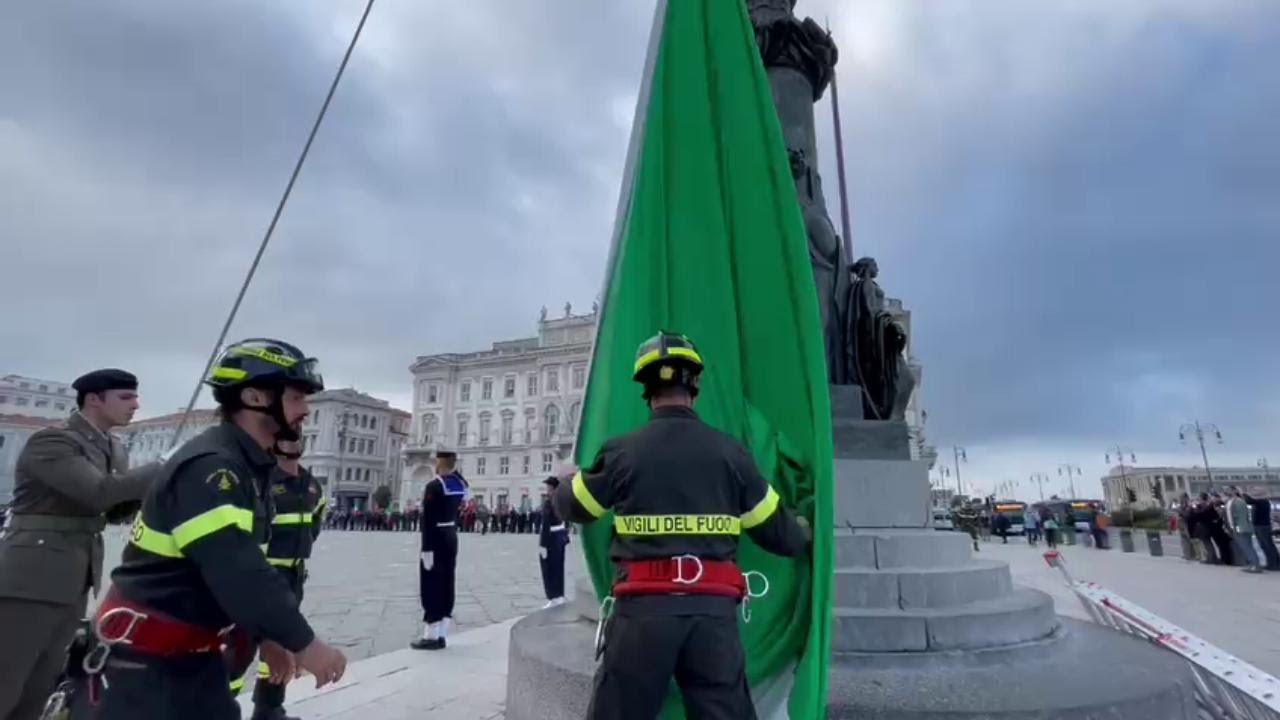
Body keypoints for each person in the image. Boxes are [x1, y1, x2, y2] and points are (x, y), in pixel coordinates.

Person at [552, 330, 811, 720]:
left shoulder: (622, 453)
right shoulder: (732, 455)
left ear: (645, 388)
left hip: (641, 616)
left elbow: (575, 507)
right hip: (713, 619)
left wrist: (565, 482)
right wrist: (806, 528)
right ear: (696, 385)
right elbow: (781, 535)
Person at [93, 339, 347, 719]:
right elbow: (236, 569)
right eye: (295, 398)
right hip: (147, 670)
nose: (305, 410)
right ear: (255, 397)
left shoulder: (245, 465)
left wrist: (267, 638)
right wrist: (304, 642)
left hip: (189, 663)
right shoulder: (213, 467)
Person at [0, 368, 160, 720]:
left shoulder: (112, 446)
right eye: (126, 397)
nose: (135, 405)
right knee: (7, 677)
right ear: (94, 399)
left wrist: (150, 489)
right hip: (31, 575)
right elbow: (97, 493)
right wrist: (160, 468)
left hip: (75, 574)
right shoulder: (54, 441)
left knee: (39, 684)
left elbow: (114, 509)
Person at [235, 437, 326, 719]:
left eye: (297, 437)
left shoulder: (312, 484)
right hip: (263, 573)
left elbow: (315, 523)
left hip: (293, 574)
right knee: (239, 647)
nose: (293, 442)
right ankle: (217, 708)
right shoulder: (262, 481)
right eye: (286, 438)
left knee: (282, 645)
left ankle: (269, 708)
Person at [411, 450, 467, 650]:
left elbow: (426, 520)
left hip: (435, 538)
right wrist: (454, 470)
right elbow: (464, 484)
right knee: (447, 581)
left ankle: (431, 634)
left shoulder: (433, 486)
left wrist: (426, 548)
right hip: (451, 536)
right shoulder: (458, 485)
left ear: (439, 464)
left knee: (431, 583)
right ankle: (442, 631)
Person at [538, 476, 569, 609]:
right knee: (559, 567)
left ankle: (552, 596)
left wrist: (542, 544)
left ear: (553, 488)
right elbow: (567, 518)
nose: (547, 490)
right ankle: (560, 595)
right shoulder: (563, 500)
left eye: (549, 488)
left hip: (551, 537)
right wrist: (566, 536)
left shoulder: (548, 502)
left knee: (548, 568)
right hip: (561, 536)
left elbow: (545, 524)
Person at [1226, 486, 1263, 573]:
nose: (1226, 491)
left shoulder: (1238, 501)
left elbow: (1242, 516)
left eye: (1228, 490)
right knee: (1244, 547)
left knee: (1247, 547)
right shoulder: (1230, 501)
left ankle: (1256, 565)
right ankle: (1251, 564)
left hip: (1241, 528)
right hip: (1235, 527)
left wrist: (1239, 527)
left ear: (1234, 491)